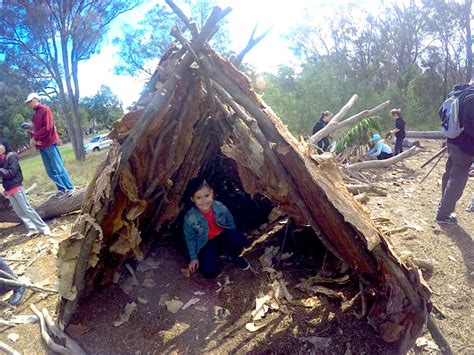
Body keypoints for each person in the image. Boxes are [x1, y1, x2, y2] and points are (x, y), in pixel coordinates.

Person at [183, 177, 249, 279]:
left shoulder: (219, 207)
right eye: (198, 198)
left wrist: (234, 239)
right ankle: (216, 255)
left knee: (240, 239)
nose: (204, 201)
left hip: (222, 236)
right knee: (209, 272)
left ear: (212, 194)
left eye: (206, 195)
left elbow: (230, 222)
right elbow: (190, 239)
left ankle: (231, 254)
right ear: (192, 199)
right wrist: (193, 258)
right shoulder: (190, 217)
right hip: (206, 242)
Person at [435, 81, 474, 224]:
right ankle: (443, 214)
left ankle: (445, 207)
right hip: (465, 146)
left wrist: (452, 131)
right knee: (457, 181)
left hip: (452, 141)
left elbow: (441, 112)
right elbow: (471, 125)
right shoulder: (471, 97)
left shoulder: (457, 93)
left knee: (449, 174)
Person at [25, 93, 74, 199]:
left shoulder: (45, 110)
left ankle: (70, 187)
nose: (29, 104)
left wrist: (35, 138)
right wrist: (34, 138)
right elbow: (36, 130)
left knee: (58, 167)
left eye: (30, 101)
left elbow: (48, 127)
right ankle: (61, 189)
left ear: (37, 99)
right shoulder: (35, 115)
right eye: (28, 102)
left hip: (50, 144)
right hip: (42, 146)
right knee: (50, 170)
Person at [0, 140, 52, 237]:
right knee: (19, 212)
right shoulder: (1, 159)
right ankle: (32, 228)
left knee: (27, 209)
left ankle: (44, 227)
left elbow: (11, 173)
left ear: (4, 146)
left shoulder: (11, 156)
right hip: (8, 190)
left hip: (16, 187)